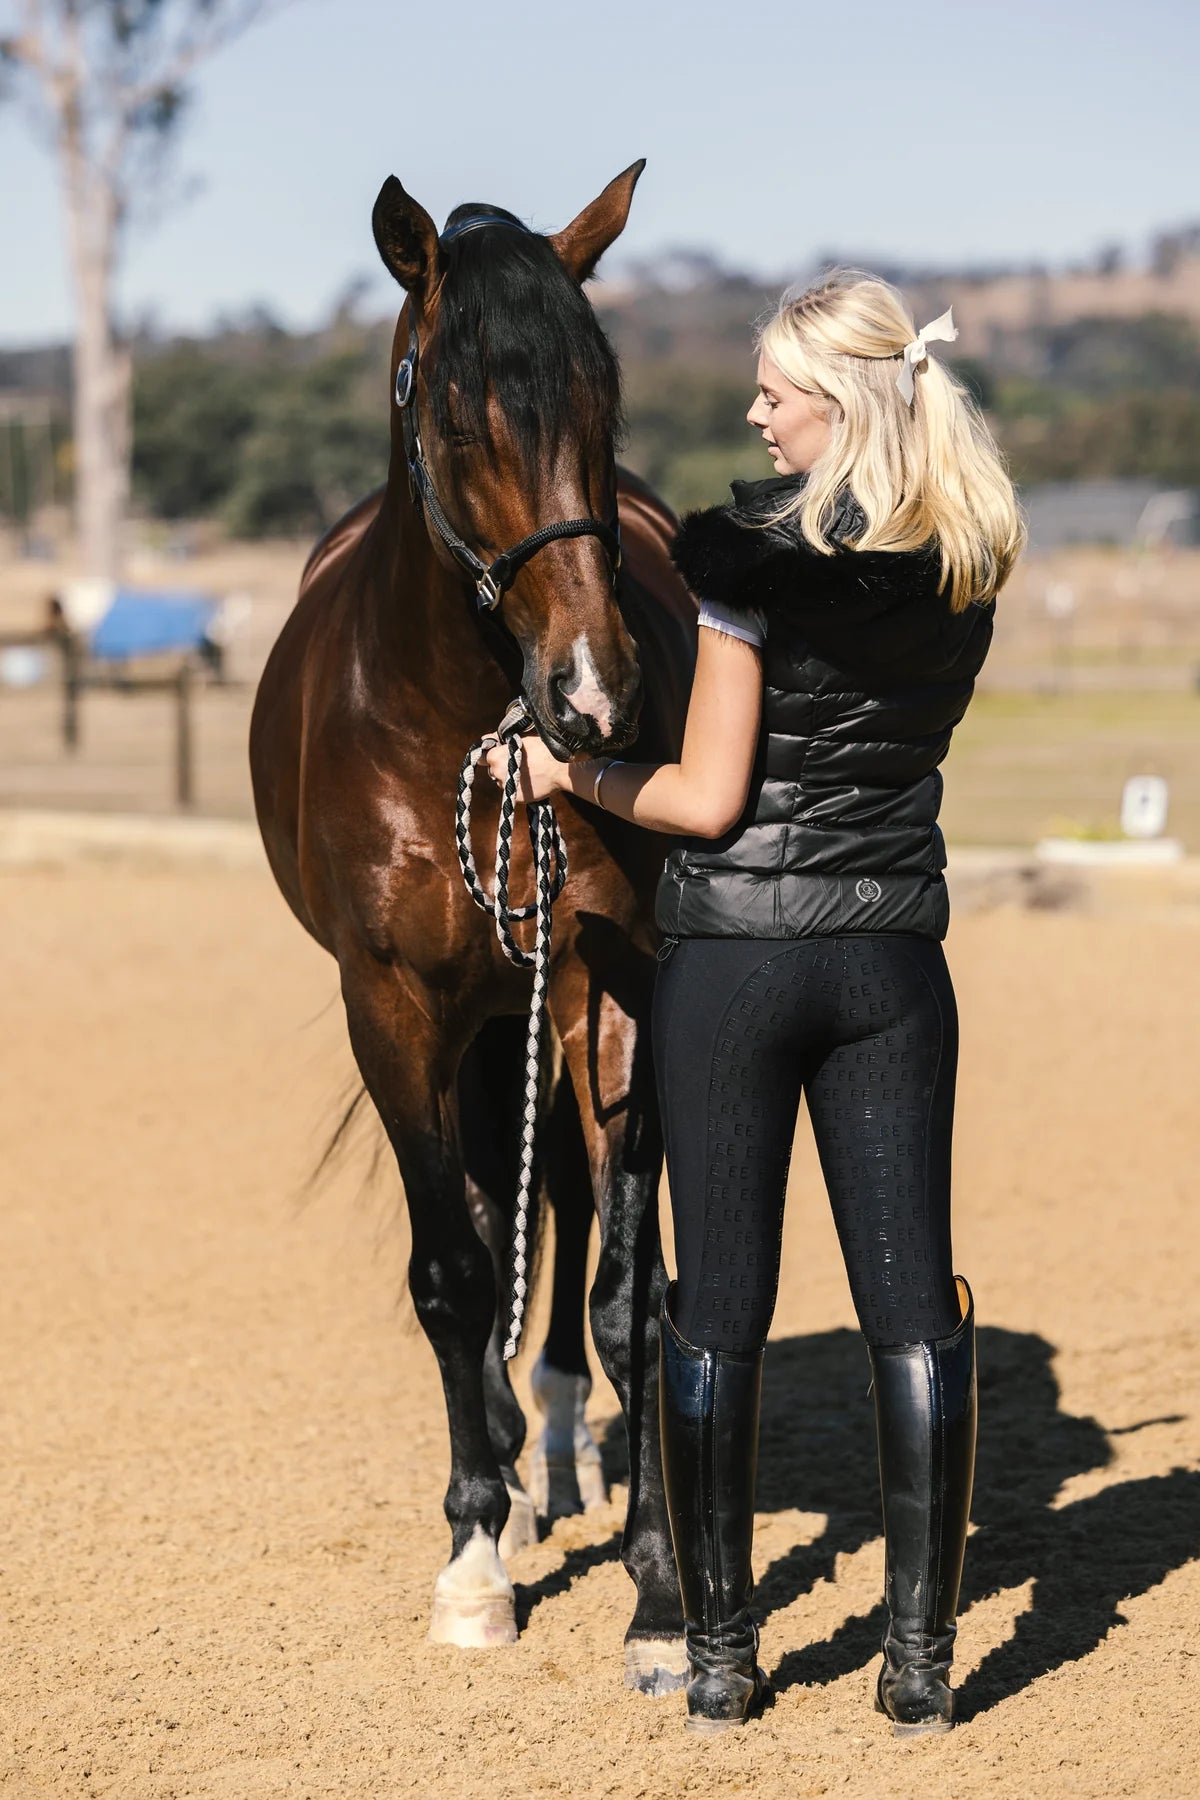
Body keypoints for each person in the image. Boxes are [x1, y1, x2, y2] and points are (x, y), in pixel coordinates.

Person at [485, 269, 1025, 1737]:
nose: (751, 411)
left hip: (737, 966)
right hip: (896, 965)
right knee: (916, 1313)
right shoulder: (972, 549)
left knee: (715, 1310)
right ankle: (921, 1667)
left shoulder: (744, 561)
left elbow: (709, 799)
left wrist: (570, 775)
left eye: (773, 392)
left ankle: (721, 1656)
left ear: (836, 403)